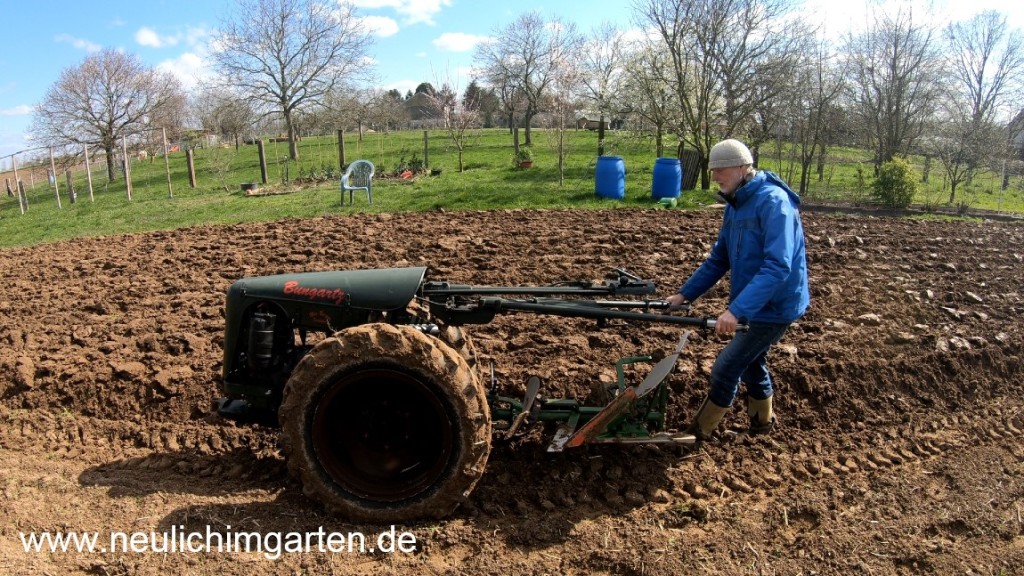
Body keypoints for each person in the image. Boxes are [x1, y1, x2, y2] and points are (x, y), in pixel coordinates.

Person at [665, 138, 809, 439]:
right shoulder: (736, 203)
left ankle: (700, 432)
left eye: (722, 170)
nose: (715, 177)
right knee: (752, 361)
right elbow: (720, 258)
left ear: (744, 167)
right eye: (713, 170)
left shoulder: (773, 203)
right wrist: (684, 294)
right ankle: (762, 423)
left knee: (727, 367)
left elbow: (778, 266)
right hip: (753, 301)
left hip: (775, 305)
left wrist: (736, 311)